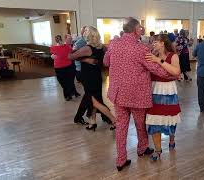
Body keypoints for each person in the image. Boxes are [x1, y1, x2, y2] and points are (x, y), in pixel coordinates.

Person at [104, 17, 175, 171]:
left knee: (121, 127)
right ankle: (142, 148)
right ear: (136, 30)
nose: (142, 29)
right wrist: (173, 74)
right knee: (140, 124)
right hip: (136, 95)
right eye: (140, 27)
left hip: (118, 94)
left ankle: (121, 160)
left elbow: (106, 62)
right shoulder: (140, 49)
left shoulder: (114, 44)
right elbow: (155, 69)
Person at [68, 26, 116, 130]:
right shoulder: (102, 47)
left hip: (89, 77)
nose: (83, 33)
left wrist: (83, 59)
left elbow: (70, 56)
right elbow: (103, 62)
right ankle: (92, 122)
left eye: (85, 31)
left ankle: (114, 120)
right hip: (97, 76)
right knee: (94, 100)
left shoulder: (87, 48)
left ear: (88, 35)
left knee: (95, 102)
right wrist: (90, 60)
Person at [144, 34, 181, 161]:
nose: (153, 43)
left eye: (155, 42)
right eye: (152, 42)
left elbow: (176, 72)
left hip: (168, 90)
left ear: (163, 43)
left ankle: (171, 138)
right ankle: (158, 150)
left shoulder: (173, 56)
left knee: (170, 119)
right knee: (153, 121)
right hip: (154, 91)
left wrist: (158, 60)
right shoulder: (150, 55)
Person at [50, 35, 78, 101]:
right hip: (58, 67)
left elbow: (72, 52)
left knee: (68, 81)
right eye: (57, 38)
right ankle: (69, 93)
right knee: (62, 81)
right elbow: (52, 55)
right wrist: (52, 56)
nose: (58, 39)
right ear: (55, 40)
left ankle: (67, 95)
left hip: (68, 65)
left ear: (61, 39)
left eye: (59, 38)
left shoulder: (67, 46)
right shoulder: (53, 47)